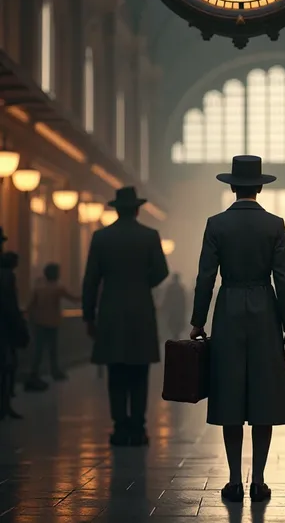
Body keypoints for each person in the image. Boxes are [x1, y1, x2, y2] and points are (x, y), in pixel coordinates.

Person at [190, 155, 285, 504]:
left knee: (230, 393)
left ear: (233, 186)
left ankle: (235, 480)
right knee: (264, 395)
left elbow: (206, 277)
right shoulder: (275, 225)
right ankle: (260, 481)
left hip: (229, 310)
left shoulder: (215, 224)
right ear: (261, 186)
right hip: (266, 311)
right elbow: (283, 279)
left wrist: (197, 320)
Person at [82, 186, 169, 447]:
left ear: (116, 209)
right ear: (138, 209)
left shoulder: (101, 238)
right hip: (141, 311)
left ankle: (120, 428)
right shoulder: (150, 236)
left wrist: (89, 315)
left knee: (116, 372)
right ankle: (138, 428)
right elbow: (162, 272)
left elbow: (91, 280)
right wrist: (143, 283)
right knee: (139, 372)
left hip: (110, 312)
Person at [24, 263, 79, 391]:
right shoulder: (58, 288)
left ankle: (34, 373)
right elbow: (74, 298)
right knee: (53, 350)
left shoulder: (38, 287)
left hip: (38, 322)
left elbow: (30, 305)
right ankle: (55, 372)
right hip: (52, 323)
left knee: (38, 350)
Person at [0, 251, 29, 420]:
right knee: (8, 367)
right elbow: (10, 304)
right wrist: (18, 325)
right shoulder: (7, 276)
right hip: (5, 329)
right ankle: (5, 405)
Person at [162, 273, 187, 341]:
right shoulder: (181, 288)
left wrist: (165, 308)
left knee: (173, 326)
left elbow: (167, 300)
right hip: (178, 311)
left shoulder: (170, 288)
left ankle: (175, 338)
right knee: (176, 327)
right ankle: (176, 338)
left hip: (173, 311)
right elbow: (183, 302)